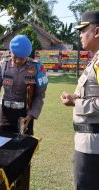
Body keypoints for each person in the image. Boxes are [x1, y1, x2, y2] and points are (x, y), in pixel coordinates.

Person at [0, 34, 48, 190]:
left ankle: (21, 184)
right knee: (2, 151)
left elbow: (40, 95)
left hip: (25, 115)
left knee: (23, 153)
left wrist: (31, 115)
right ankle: (1, 185)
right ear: (10, 51)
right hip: (5, 114)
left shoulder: (38, 68)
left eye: (23, 58)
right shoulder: (1, 66)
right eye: (16, 57)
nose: (19, 61)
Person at [60, 10, 99, 190]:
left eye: (84, 30)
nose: (80, 35)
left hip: (93, 145)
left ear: (97, 32)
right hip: (88, 140)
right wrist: (76, 96)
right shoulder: (95, 60)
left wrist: (76, 103)